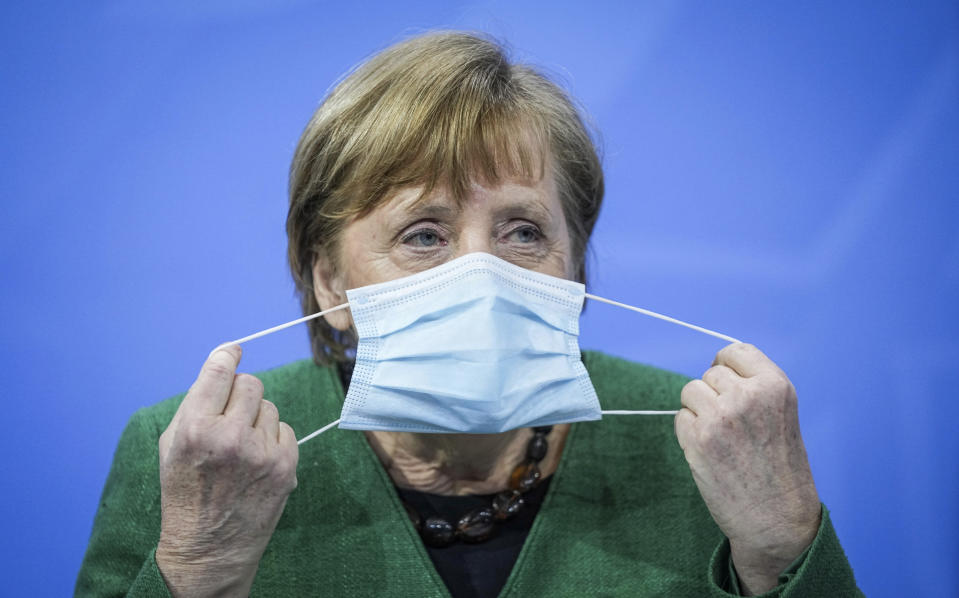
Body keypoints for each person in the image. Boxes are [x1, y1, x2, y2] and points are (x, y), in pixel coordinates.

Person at [76, 31, 862, 597]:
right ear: (329, 284)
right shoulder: (192, 459)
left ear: (574, 266)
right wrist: (200, 570)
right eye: (424, 234)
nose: (479, 273)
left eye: (524, 231)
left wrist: (780, 547)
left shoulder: (701, 448)